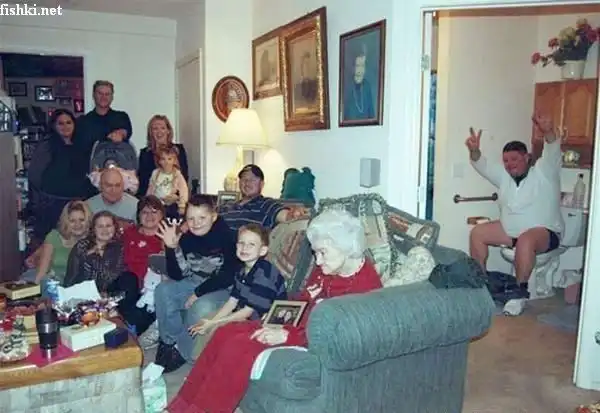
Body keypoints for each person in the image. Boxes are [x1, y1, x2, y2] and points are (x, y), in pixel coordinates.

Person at [167, 209, 383, 413]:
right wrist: (277, 317)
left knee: (239, 346)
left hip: (309, 337)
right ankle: (182, 404)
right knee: (226, 332)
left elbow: (338, 335)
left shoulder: (363, 287)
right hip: (293, 324)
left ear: (345, 247)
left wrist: (287, 335)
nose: (317, 260)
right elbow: (303, 301)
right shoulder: (327, 267)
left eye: (323, 253)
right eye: (316, 252)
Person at [466, 113, 564, 316]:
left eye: (514, 159)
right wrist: (474, 151)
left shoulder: (544, 172)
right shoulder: (504, 177)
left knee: (526, 241)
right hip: (511, 231)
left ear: (527, 157)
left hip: (545, 232)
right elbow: (482, 164)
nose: (509, 164)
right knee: (477, 233)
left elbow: (552, 149)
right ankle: (480, 285)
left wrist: (548, 132)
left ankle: (519, 295)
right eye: (506, 160)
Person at [154, 195, 240, 372]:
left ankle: (183, 352)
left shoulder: (228, 237)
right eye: (191, 218)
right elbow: (179, 274)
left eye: (202, 217)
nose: (196, 223)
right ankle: (169, 343)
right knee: (163, 290)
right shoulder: (187, 238)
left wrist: (198, 293)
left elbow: (228, 275)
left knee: (200, 305)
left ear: (213, 217)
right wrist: (171, 248)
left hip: (223, 288)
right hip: (194, 282)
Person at [189, 223, 286, 337]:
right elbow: (232, 301)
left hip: (268, 323)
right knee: (212, 327)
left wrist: (214, 323)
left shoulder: (264, 274)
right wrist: (212, 321)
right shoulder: (241, 269)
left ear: (263, 250)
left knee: (221, 332)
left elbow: (248, 311)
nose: (244, 248)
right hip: (249, 317)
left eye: (251, 244)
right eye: (241, 243)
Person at [27, 109, 97, 239]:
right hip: (52, 205)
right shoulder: (47, 145)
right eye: (61, 123)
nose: (65, 126)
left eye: (69, 122)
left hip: (76, 204)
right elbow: (34, 175)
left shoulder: (80, 145)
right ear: (54, 125)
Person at [21, 200, 92, 295]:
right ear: (66, 222)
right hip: (51, 284)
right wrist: (36, 295)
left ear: (88, 221)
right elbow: (42, 272)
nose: (77, 225)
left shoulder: (92, 242)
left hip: (76, 288)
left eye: (81, 220)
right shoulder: (54, 236)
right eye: (72, 221)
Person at [120, 195, 165, 336]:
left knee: (146, 310)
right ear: (138, 216)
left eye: (154, 212)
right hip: (129, 287)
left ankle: (131, 330)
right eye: (145, 212)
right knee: (128, 279)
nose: (149, 216)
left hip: (151, 289)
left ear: (162, 215)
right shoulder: (128, 233)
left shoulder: (168, 237)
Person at [63, 211, 125, 293]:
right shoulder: (82, 246)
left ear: (114, 228)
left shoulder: (119, 248)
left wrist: (93, 258)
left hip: (106, 296)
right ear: (93, 229)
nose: (105, 230)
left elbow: (112, 278)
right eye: (100, 226)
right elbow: (71, 276)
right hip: (79, 294)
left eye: (108, 226)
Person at [219, 164, 289, 231]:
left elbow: (288, 217)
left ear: (261, 184)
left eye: (252, 179)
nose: (247, 183)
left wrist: (292, 213)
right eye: (244, 179)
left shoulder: (267, 204)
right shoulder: (227, 206)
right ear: (239, 183)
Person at [137, 115, 189, 198]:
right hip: (153, 198)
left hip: (175, 197)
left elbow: (184, 176)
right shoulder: (145, 154)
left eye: (163, 128)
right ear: (151, 132)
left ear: (168, 131)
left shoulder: (178, 150)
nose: (159, 132)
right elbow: (143, 183)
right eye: (155, 129)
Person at [77, 80, 133, 153]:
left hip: (118, 159)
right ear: (94, 95)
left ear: (112, 97)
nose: (103, 97)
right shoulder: (83, 121)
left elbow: (125, 132)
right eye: (100, 93)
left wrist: (120, 134)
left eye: (107, 94)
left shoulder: (121, 117)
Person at [146, 146, 189, 218]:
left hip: (171, 203)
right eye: (163, 159)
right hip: (157, 203)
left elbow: (183, 190)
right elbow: (150, 188)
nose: (166, 162)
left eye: (169, 159)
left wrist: (182, 205)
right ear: (159, 161)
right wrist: (147, 201)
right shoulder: (155, 173)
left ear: (174, 161)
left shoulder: (177, 174)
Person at [342, 47, 375, 120]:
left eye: (362, 66)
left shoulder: (367, 86)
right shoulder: (346, 87)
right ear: (353, 67)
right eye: (358, 66)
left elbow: (372, 115)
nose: (360, 70)